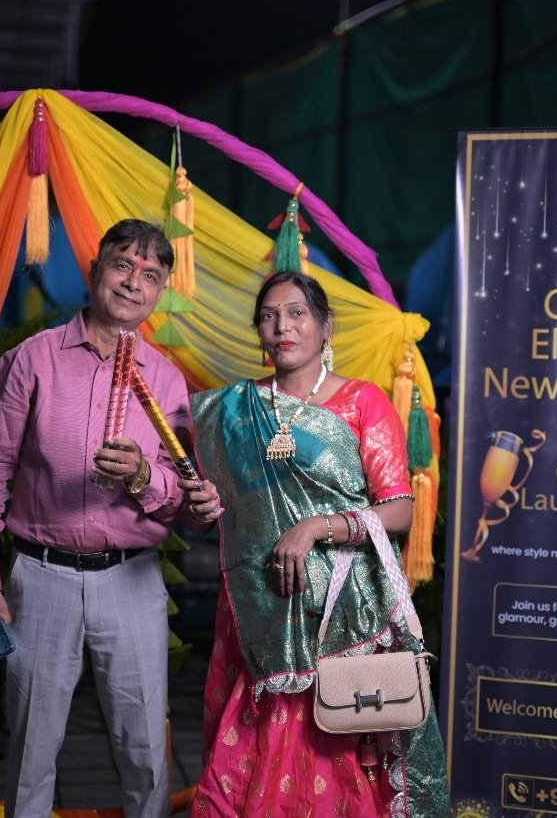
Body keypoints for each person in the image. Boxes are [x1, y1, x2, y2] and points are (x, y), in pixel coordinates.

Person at [0, 219, 222, 818]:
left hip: (132, 580)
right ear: (96, 268)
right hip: (40, 577)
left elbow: (183, 500)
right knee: (30, 751)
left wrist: (141, 478)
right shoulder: (32, 362)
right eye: (123, 265)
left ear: (159, 293)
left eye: (151, 275)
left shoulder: (165, 379)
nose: (134, 283)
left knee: (147, 752)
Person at [189, 270, 449, 816]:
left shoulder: (362, 402)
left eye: (297, 313)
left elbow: (399, 509)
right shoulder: (232, 414)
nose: (282, 326)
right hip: (262, 615)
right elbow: (215, 513)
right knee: (245, 767)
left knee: (338, 763)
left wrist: (316, 528)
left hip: (345, 617)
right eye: (269, 316)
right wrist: (200, 506)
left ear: (325, 326)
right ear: (258, 331)